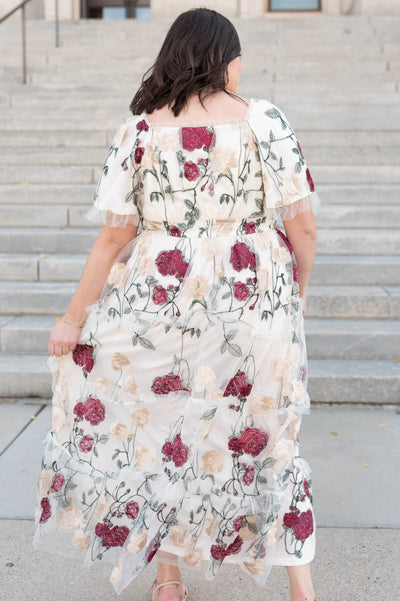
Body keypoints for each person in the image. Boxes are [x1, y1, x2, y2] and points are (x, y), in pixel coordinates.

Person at [32, 8, 321, 601]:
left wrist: (72, 320)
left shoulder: (139, 131)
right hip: (252, 300)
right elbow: (305, 228)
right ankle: (301, 590)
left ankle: (167, 581)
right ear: (224, 59)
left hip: (157, 304)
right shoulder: (265, 121)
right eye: (239, 57)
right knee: (271, 439)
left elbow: (115, 237)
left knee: (159, 437)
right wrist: (297, 291)